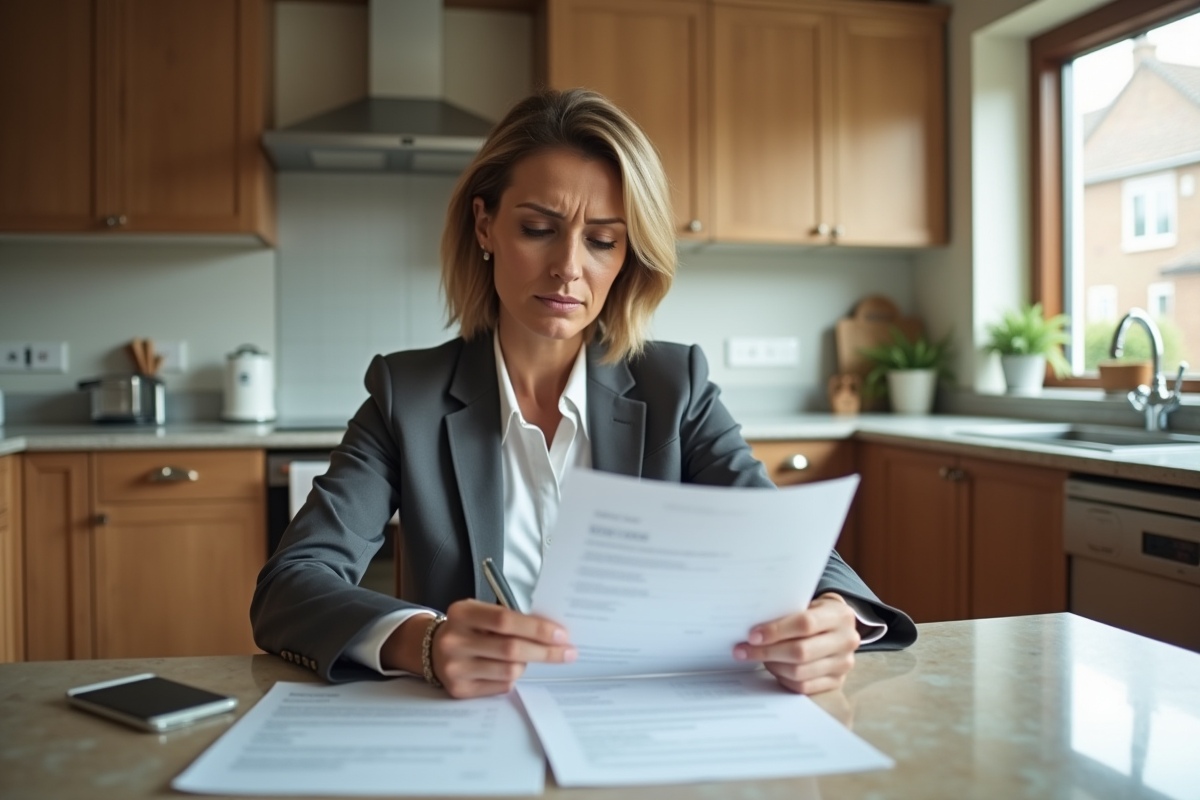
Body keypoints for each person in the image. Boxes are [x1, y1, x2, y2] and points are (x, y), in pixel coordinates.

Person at [251, 88, 916, 700]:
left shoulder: (674, 386)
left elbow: (781, 544)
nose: (569, 267)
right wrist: (420, 643)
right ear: (484, 226)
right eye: (538, 229)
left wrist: (836, 615)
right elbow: (291, 585)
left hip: (646, 715)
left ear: (628, 255)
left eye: (602, 240)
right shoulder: (408, 396)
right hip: (473, 728)